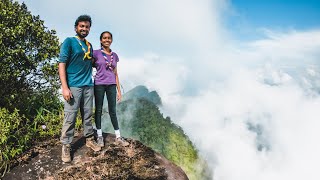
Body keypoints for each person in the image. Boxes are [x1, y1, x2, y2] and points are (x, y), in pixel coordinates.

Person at [58, 15, 101, 163]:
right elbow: (61, 64)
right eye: (81, 26)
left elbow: (92, 63)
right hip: (74, 86)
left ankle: (89, 139)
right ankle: (66, 145)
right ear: (76, 27)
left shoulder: (89, 45)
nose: (84, 29)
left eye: (87, 26)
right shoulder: (69, 42)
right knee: (70, 117)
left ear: (89, 29)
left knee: (88, 114)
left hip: (88, 85)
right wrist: (65, 87)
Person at [93, 31, 129, 147]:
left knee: (112, 110)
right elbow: (89, 65)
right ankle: (99, 136)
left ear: (111, 40)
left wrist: (119, 91)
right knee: (98, 110)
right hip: (99, 84)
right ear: (101, 40)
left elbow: (115, 73)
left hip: (112, 85)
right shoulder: (96, 53)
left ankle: (118, 136)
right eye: (104, 38)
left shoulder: (115, 56)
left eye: (109, 38)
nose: (106, 40)